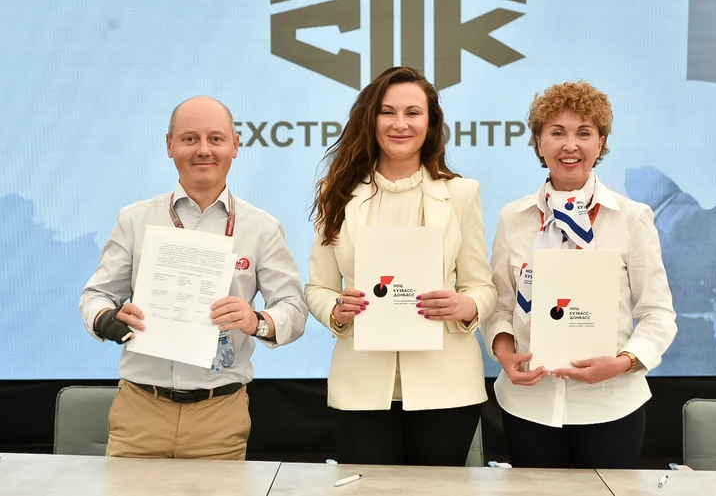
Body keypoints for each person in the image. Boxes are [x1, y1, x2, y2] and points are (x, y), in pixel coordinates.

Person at [79, 96, 308, 460]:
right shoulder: (135, 220)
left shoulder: (262, 228)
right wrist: (107, 319)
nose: (203, 150)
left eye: (215, 139)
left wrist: (257, 321)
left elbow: (294, 308)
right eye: (189, 139)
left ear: (235, 145)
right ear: (169, 145)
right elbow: (96, 295)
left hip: (220, 414)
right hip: (140, 409)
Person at [305, 66, 497, 466]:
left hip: (446, 386)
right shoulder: (336, 193)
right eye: (387, 112)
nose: (400, 124)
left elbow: (482, 285)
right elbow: (318, 287)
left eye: (413, 113)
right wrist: (336, 310)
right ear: (370, 119)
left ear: (431, 123)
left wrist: (466, 306)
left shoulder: (461, 194)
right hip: (361, 386)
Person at [483, 81, 677, 469]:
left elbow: (658, 314)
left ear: (601, 144)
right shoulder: (513, 218)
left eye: (584, 133)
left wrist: (622, 363)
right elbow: (500, 307)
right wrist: (504, 353)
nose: (570, 145)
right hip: (528, 405)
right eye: (557, 133)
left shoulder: (632, 218)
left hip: (610, 404)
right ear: (539, 143)